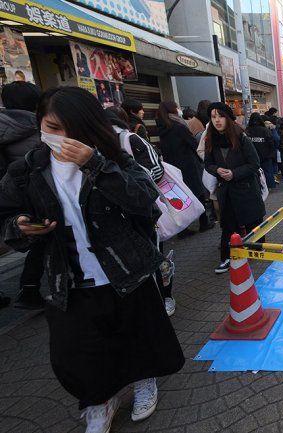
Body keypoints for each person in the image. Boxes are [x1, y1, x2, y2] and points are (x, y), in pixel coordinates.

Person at [0, 86, 184, 431]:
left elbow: (144, 198)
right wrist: (21, 226)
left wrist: (95, 164)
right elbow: (7, 215)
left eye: (70, 129)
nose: (61, 138)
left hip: (125, 268)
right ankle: (98, 400)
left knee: (139, 335)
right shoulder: (27, 170)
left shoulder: (111, 158)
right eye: (52, 127)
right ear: (40, 124)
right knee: (75, 353)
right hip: (65, 277)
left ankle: (145, 381)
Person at [105, 106, 177, 316]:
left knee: (154, 256)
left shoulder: (132, 140)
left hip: (144, 212)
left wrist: (127, 180)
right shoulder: (90, 148)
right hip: (114, 218)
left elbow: (156, 169)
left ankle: (166, 296)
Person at [203, 103, 265, 273]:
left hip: (246, 188)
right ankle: (227, 257)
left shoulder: (241, 137)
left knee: (254, 221)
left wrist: (234, 173)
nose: (217, 120)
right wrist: (217, 170)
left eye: (220, 116)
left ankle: (257, 250)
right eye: (213, 117)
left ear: (228, 118)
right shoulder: (210, 139)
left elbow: (254, 163)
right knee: (228, 225)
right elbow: (208, 164)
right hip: (226, 190)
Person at [0, 81, 45, 310]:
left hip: (7, 199)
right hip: (30, 197)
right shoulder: (34, 128)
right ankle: (29, 290)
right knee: (42, 239)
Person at [156, 101, 213, 235]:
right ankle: (204, 222)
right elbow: (193, 144)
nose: (179, 109)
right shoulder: (179, 126)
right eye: (176, 107)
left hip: (173, 167)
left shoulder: (162, 128)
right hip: (188, 165)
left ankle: (182, 229)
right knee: (198, 193)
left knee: (180, 197)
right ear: (173, 110)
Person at [245, 113, 276, 189]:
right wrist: (271, 153)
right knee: (267, 172)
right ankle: (269, 186)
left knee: (255, 173)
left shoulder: (247, 131)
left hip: (252, 157)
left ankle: (257, 187)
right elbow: (271, 142)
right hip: (266, 156)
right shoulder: (265, 130)